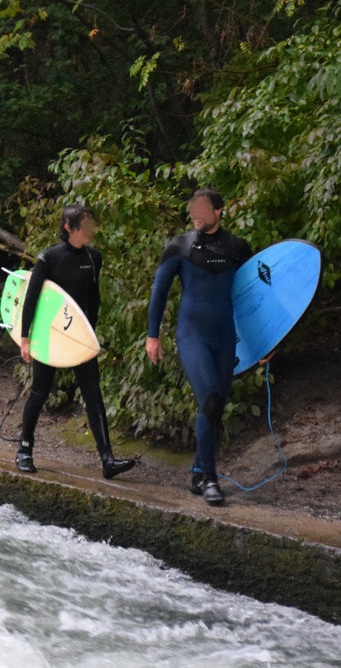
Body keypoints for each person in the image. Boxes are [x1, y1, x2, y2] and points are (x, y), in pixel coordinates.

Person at [145, 187, 252, 506]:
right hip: (192, 335)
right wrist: (153, 335)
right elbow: (159, 291)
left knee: (216, 409)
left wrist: (264, 343)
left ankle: (197, 470)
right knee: (210, 400)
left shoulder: (238, 247)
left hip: (224, 336)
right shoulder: (178, 247)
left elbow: (255, 298)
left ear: (220, 211)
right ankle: (209, 479)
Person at [15, 204, 138, 479]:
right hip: (50, 335)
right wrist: (25, 338)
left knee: (93, 395)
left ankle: (107, 459)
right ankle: (24, 450)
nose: (92, 230)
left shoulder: (94, 257)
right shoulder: (49, 258)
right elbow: (32, 299)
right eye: (86, 225)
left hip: (80, 337)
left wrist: (90, 336)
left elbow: (93, 300)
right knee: (40, 391)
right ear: (69, 228)